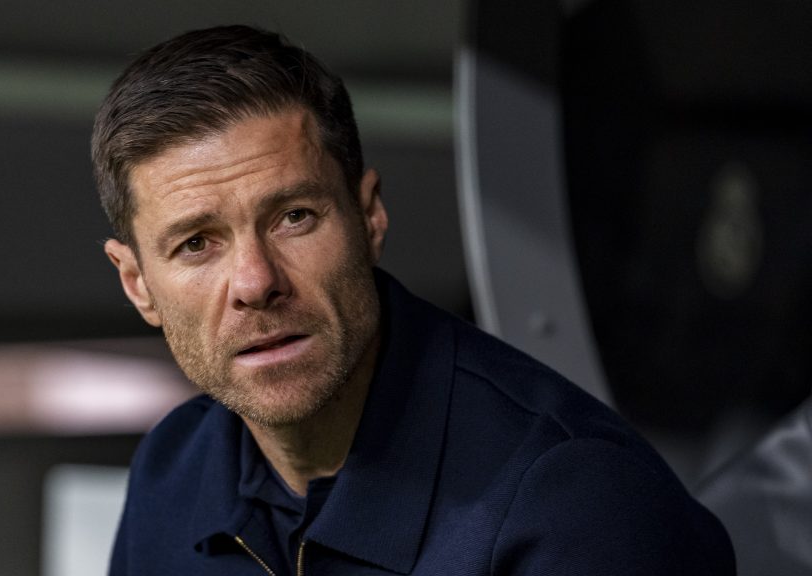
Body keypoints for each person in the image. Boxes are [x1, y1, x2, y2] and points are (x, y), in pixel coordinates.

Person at [92, 24, 735, 575]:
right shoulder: (173, 472)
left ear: (369, 216)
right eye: (197, 244)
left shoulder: (576, 505)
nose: (256, 282)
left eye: (294, 217)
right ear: (138, 284)